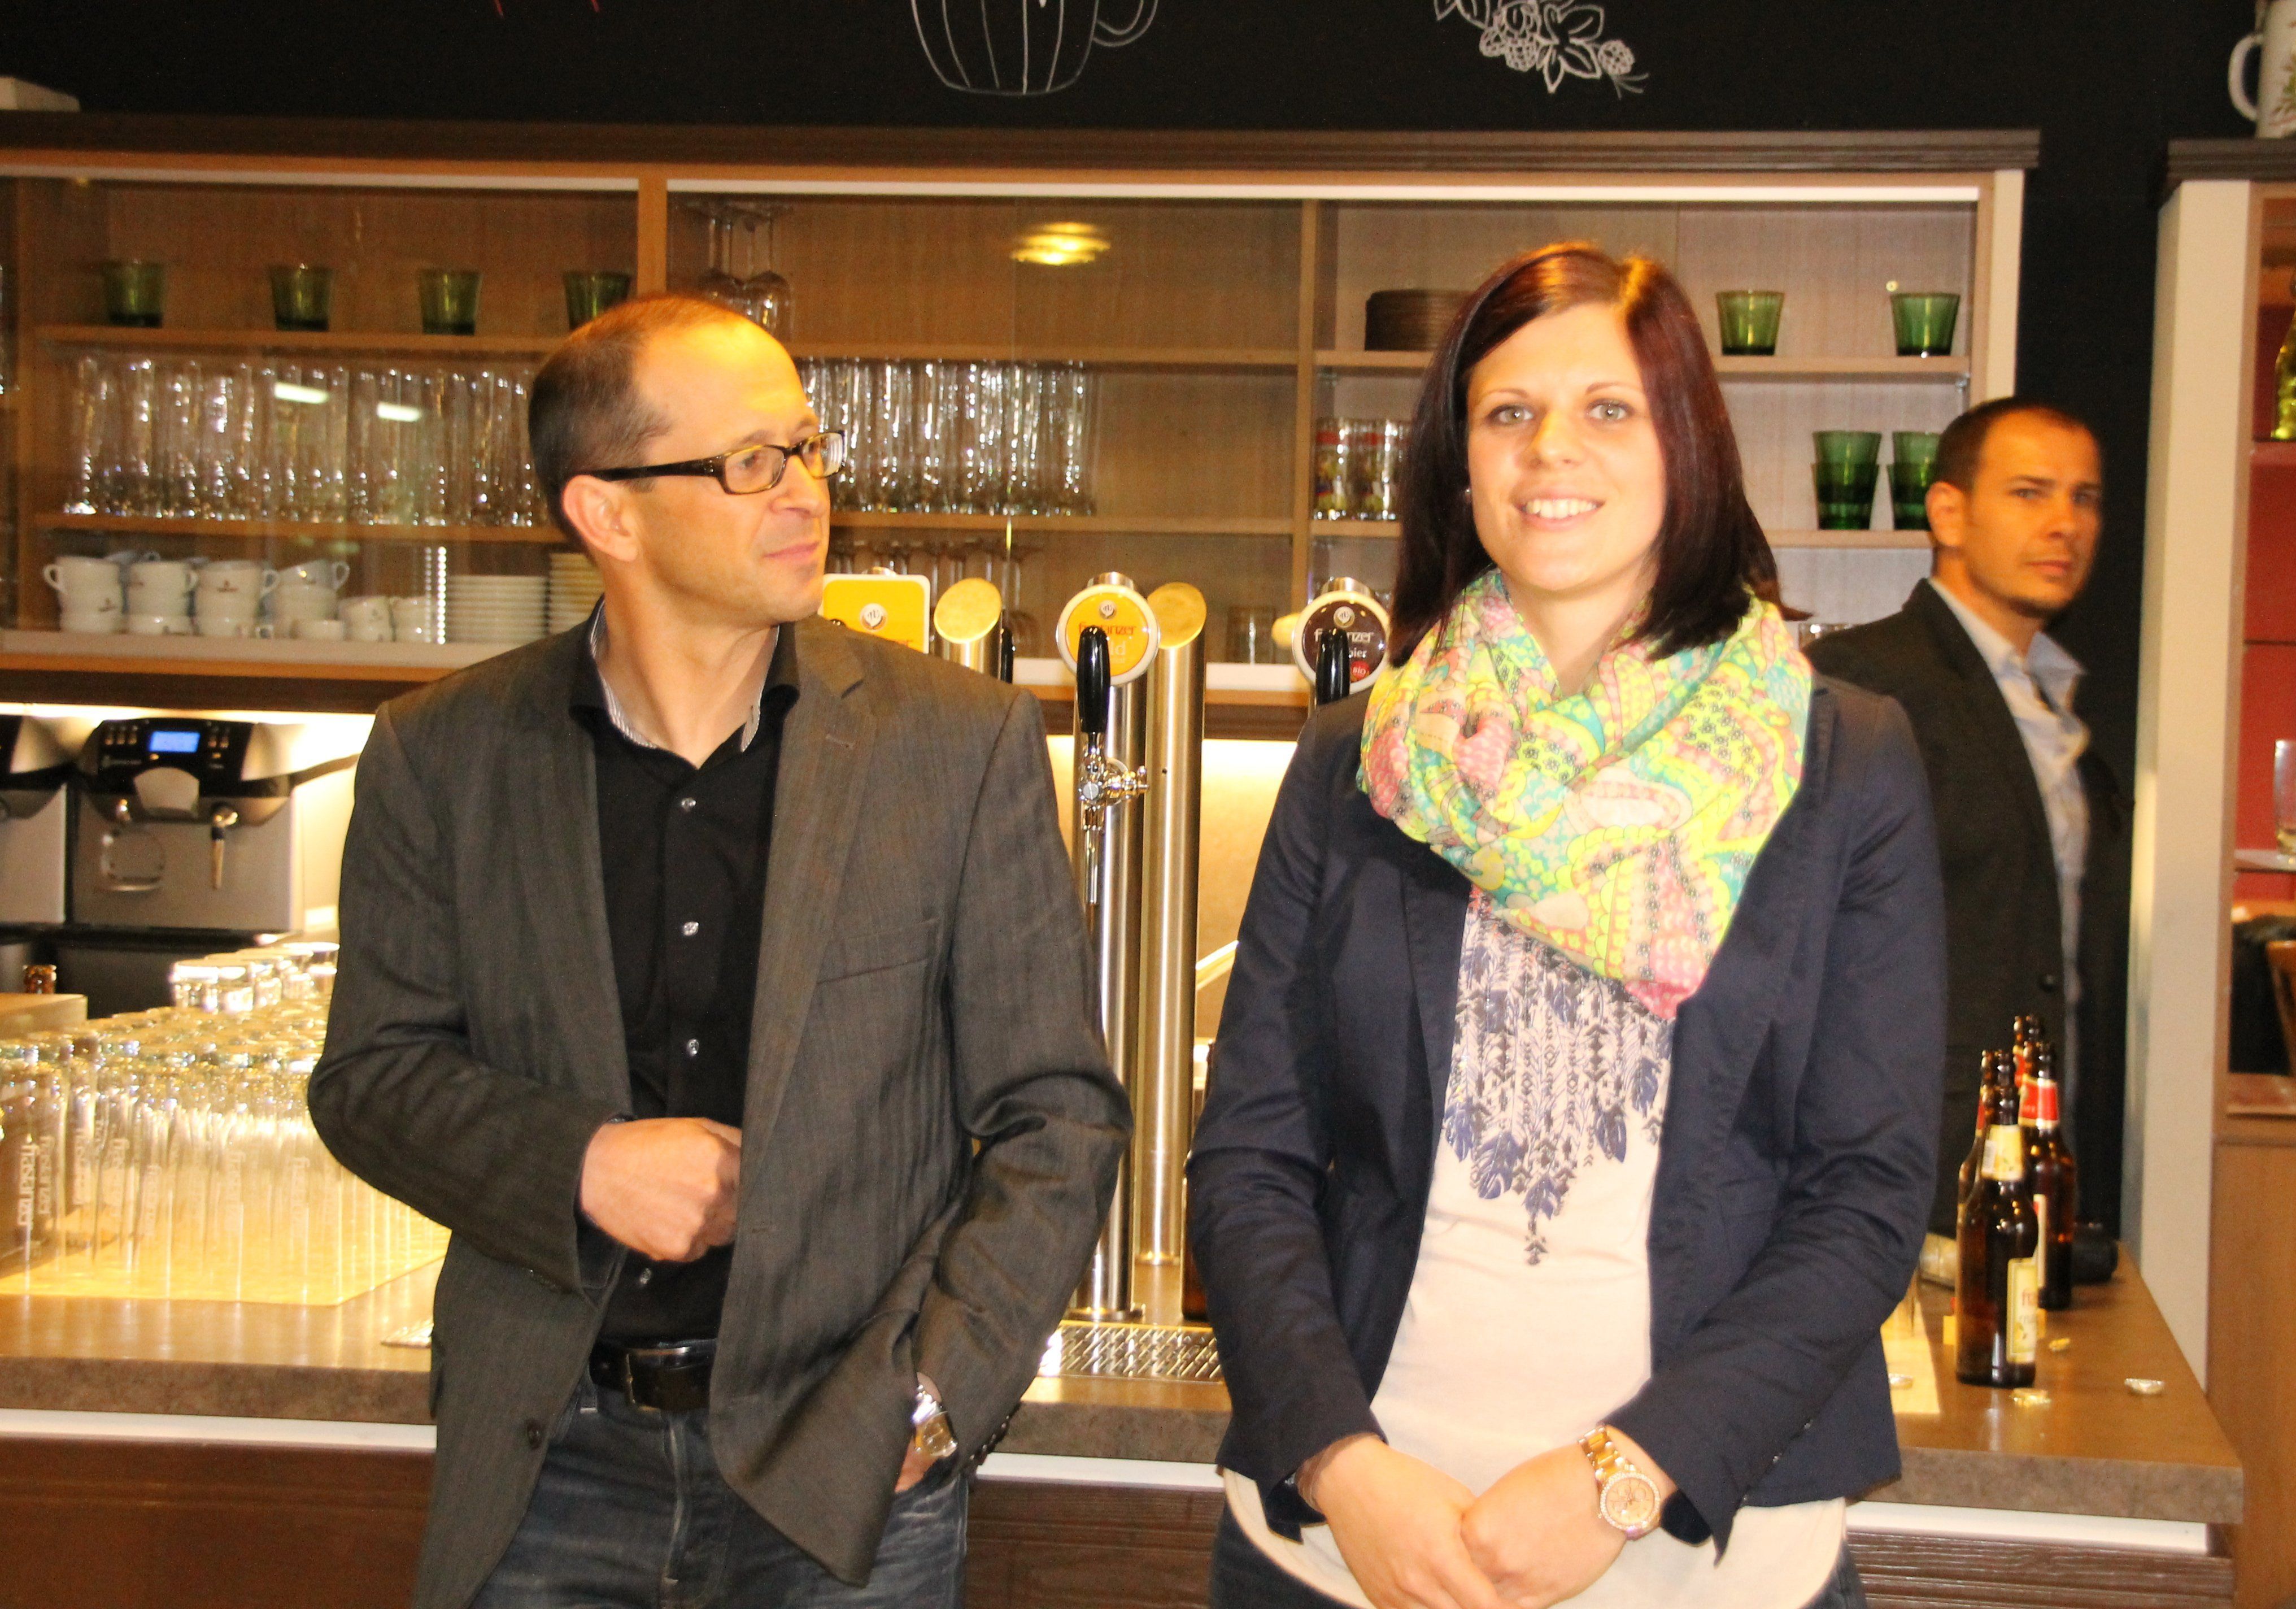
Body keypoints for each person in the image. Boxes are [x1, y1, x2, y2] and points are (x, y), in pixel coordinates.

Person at [309, 294, 1129, 1609]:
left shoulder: (955, 743)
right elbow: (371, 1077)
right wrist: (583, 1161)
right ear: (608, 512)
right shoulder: (442, 755)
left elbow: (1057, 1114)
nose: (806, 491)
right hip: (548, 1463)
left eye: (807, 448)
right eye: (751, 462)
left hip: (842, 1465)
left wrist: (936, 1398)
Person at [1188, 243, 1945, 1609]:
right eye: (1508, 411)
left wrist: (1624, 1474)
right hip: (1352, 1543)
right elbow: (1251, 1156)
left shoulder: (1842, 763)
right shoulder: (1361, 759)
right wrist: (1345, 1466)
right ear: (1460, 463)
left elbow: (1867, 1187)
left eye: (1609, 407)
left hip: (1704, 1554)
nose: (1552, 450)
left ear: (1687, 445)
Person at [1806, 399, 2129, 1250]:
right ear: (1948, 513)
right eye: (2030, 492)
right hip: (1898, 1182)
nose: (2065, 523)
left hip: (2034, 1168)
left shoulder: (2057, 705)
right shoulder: (1862, 683)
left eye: (2085, 498)